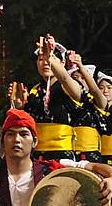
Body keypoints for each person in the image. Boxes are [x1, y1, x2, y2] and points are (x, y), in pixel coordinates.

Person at [10, 34, 82, 162]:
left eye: (51, 58)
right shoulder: (34, 91)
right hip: (36, 156)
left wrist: (51, 57)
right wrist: (19, 107)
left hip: (62, 156)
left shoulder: (67, 85)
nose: (46, 62)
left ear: (62, 63)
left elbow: (67, 81)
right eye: (41, 59)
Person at [66, 54, 106, 163]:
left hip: (90, 153)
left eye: (83, 77)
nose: (80, 80)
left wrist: (81, 67)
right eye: (75, 77)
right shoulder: (65, 99)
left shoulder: (94, 100)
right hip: (69, 152)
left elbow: (97, 93)